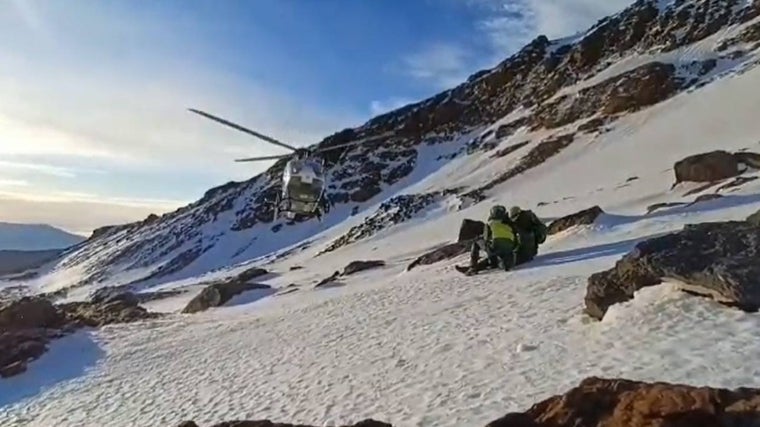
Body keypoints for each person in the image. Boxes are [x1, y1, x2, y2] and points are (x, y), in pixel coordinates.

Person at [455, 205, 519, 276]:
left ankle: (473, 267)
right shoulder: (509, 223)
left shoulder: (490, 223)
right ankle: (476, 267)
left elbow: (486, 238)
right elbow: (515, 239)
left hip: (495, 246)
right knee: (494, 256)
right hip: (509, 249)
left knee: (476, 243)